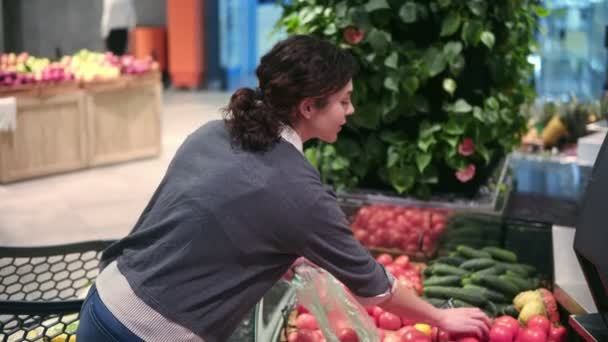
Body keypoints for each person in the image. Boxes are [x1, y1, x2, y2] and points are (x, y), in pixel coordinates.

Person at [76, 35, 491, 341]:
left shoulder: (213, 131)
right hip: (150, 333)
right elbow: (374, 286)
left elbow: (198, 216)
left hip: (101, 304)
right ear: (308, 107)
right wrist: (440, 317)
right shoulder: (300, 191)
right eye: (344, 101)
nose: (352, 110)